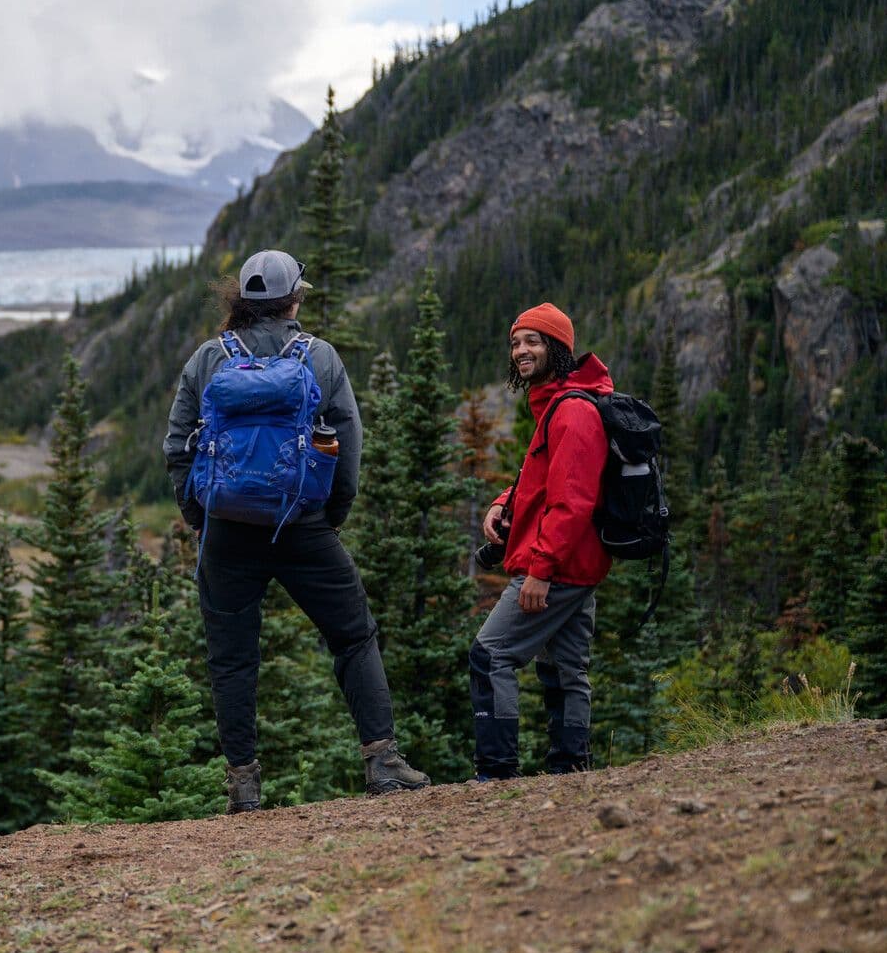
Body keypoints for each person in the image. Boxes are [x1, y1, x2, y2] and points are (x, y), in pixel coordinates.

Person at [164, 249, 431, 812]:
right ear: (293, 301)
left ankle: (243, 787)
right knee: (353, 635)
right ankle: (382, 763)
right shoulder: (319, 355)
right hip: (302, 523)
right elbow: (348, 443)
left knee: (232, 658)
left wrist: (200, 520)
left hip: (227, 530)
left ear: (242, 300)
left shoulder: (210, 357)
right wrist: (330, 517)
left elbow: (178, 446)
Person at [469, 302, 614, 779]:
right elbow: (547, 476)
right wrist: (503, 502)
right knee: (565, 668)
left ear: (558, 347)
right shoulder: (560, 402)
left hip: (559, 565)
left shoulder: (572, 411)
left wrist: (540, 571)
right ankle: (570, 767)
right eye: (515, 342)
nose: (521, 350)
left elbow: (572, 502)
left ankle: (496, 771)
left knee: (490, 654)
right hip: (579, 563)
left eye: (532, 341)